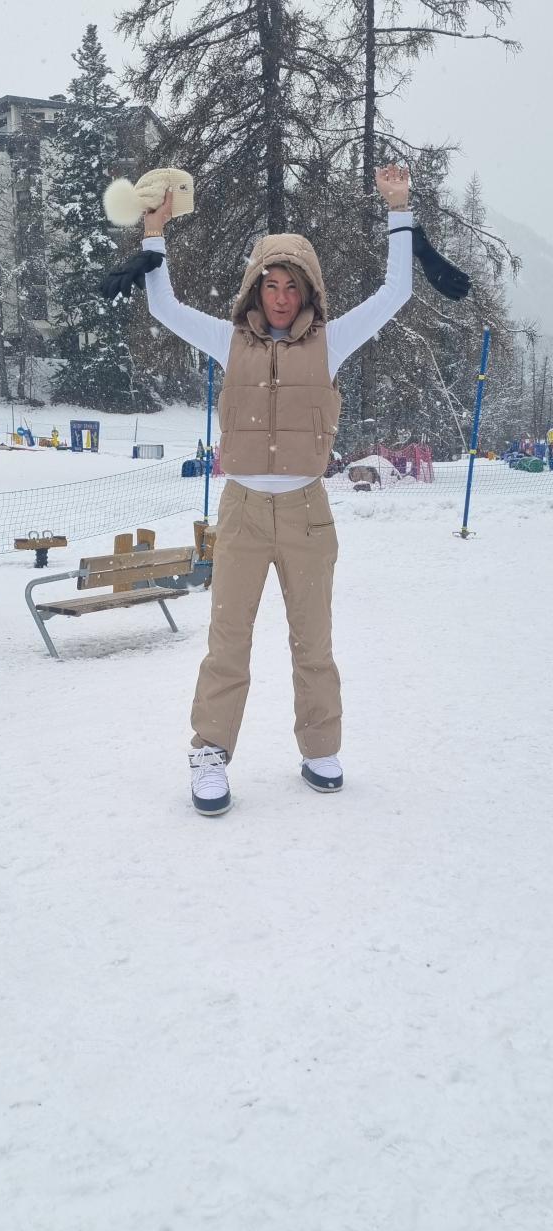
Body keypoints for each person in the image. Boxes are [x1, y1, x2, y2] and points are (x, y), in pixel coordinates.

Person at [141, 165, 413, 815]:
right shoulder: (227, 342)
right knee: (228, 640)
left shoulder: (332, 343)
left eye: (292, 285)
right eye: (271, 284)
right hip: (240, 512)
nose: (282, 297)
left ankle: (320, 747)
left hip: (306, 513)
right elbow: (162, 307)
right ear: (255, 289)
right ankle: (210, 751)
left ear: (309, 290)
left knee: (312, 641)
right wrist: (153, 232)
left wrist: (400, 209)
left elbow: (396, 291)